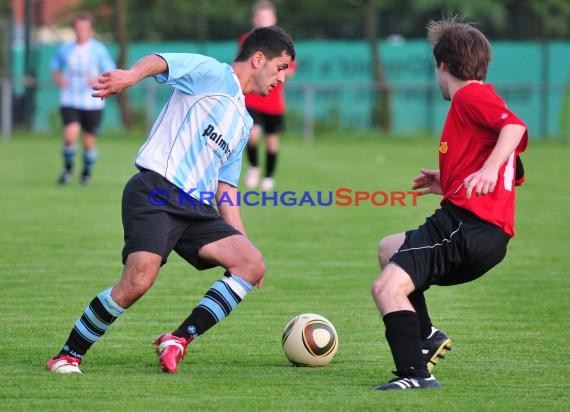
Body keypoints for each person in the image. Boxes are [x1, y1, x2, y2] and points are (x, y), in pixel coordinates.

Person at [46, 25, 295, 374]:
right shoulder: (212, 73)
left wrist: (241, 241)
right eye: (281, 67)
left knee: (251, 264)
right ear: (258, 59)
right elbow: (161, 61)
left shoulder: (242, 121)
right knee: (137, 282)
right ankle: (68, 354)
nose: (282, 78)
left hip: (196, 208)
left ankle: (178, 339)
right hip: (157, 191)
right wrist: (130, 76)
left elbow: (226, 188)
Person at [371, 16, 528, 391]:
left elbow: (515, 127)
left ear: (442, 65)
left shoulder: (470, 96)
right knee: (389, 248)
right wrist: (450, 181)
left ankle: (415, 374)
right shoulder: (474, 107)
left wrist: (487, 169)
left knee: (386, 289)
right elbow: (514, 171)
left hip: (466, 229)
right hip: (484, 234)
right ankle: (425, 336)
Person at [51, 12, 116, 186]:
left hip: (92, 101)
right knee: (70, 136)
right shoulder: (66, 48)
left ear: (90, 30)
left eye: (85, 28)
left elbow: (110, 70)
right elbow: (55, 67)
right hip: (70, 99)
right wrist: (59, 79)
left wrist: (97, 78)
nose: (81, 32)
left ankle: (86, 173)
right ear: (74, 30)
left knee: (88, 143)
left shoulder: (98, 49)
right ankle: (68, 169)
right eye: (78, 28)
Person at [240, 1, 297, 191]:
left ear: (274, 19)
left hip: (273, 101)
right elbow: (242, 65)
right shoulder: (246, 40)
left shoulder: (282, 42)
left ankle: (269, 176)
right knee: (252, 133)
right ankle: (254, 166)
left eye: (267, 17)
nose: (263, 20)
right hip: (253, 98)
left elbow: (289, 70)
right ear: (254, 19)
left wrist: (272, 69)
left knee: (272, 141)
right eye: (260, 17)